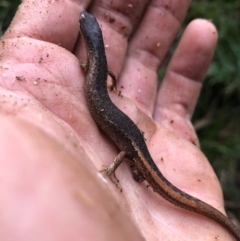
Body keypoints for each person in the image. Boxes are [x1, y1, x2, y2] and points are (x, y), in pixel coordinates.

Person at [0, 0, 232, 240]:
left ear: (90, 39)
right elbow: (105, 74)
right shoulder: (97, 62)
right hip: (127, 131)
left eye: (84, 24)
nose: (83, 20)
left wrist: (110, 169)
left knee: (130, 152)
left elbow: (103, 78)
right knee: (133, 151)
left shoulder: (93, 63)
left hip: (132, 145)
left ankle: (115, 170)